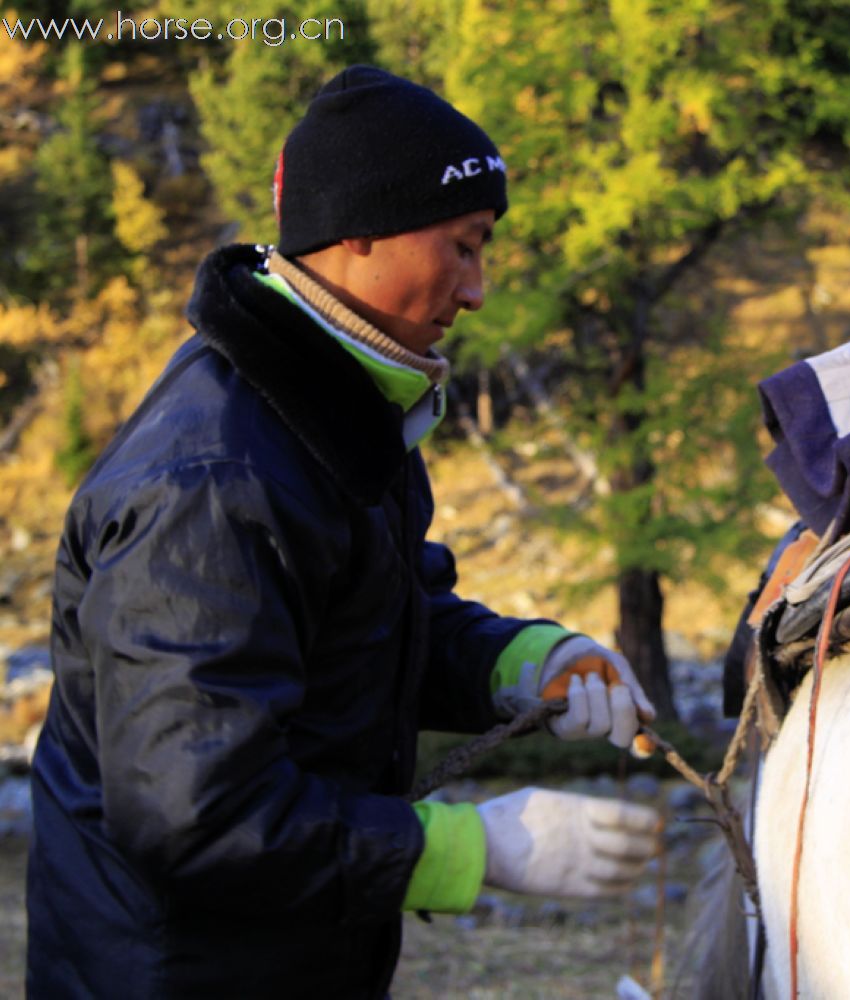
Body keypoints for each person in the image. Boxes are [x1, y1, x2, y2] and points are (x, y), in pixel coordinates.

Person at [26, 65, 662, 997]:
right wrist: (476, 848)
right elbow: (196, 810)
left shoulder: (339, 413)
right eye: (464, 247)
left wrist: (525, 662)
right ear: (359, 232)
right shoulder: (214, 478)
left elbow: (379, 620)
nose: (478, 290)